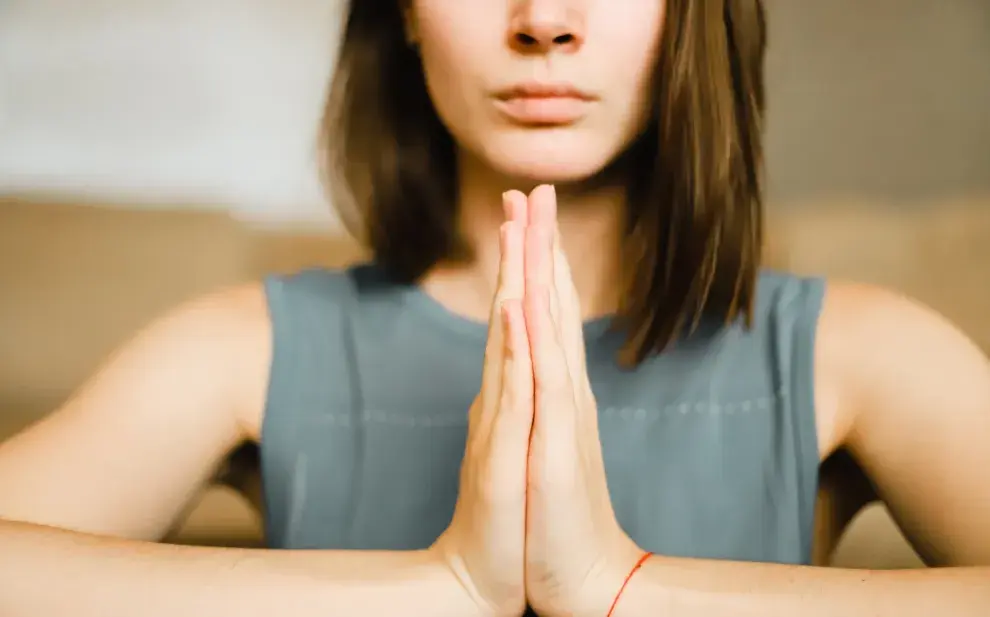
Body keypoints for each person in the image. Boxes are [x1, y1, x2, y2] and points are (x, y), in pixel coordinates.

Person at [1, 0, 988, 615]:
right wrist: (437, 589)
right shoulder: (241, 348)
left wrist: (620, 585)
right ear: (403, 12)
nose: (544, 19)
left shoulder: (859, 352)